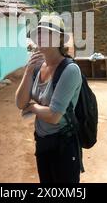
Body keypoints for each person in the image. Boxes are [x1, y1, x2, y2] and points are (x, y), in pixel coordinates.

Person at [15, 15, 82, 183]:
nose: (41, 37)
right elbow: (20, 103)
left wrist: (33, 108)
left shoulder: (69, 69)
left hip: (63, 145)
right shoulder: (37, 65)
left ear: (59, 38)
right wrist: (28, 70)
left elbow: (54, 116)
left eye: (47, 33)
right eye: (39, 33)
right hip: (42, 142)